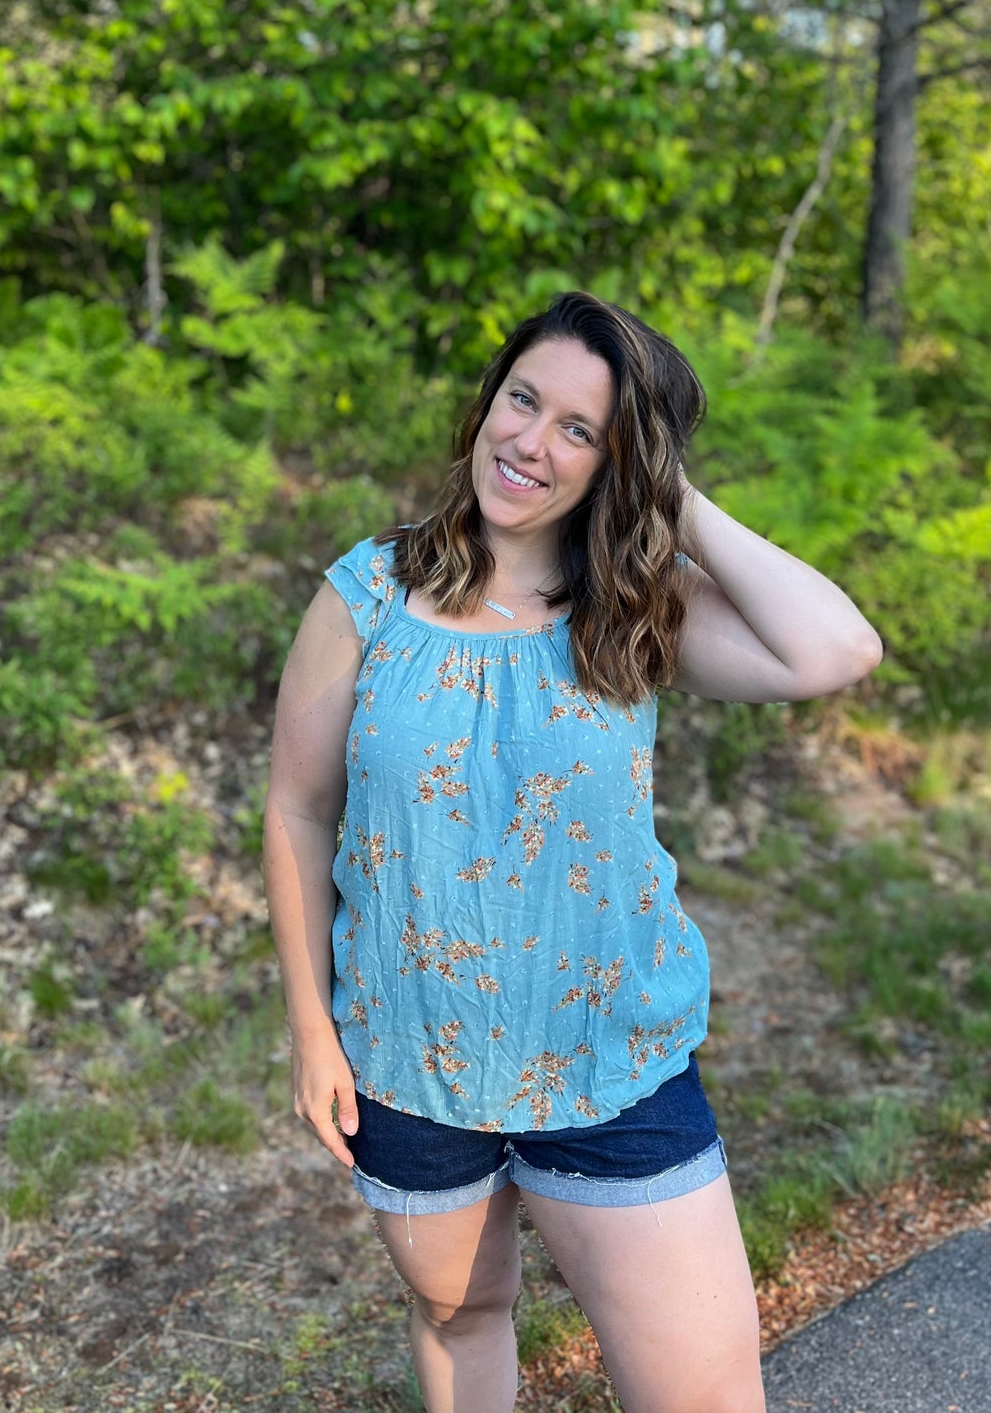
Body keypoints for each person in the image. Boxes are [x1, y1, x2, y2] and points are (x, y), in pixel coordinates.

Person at [262, 292, 883, 1413]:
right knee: (461, 1312)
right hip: (410, 1062)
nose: (529, 442)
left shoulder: (635, 609)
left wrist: (673, 498)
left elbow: (833, 648)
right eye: (522, 399)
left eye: (578, 430)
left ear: (615, 461)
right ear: (487, 402)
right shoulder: (366, 594)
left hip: (611, 1066)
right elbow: (299, 810)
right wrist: (314, 1029)